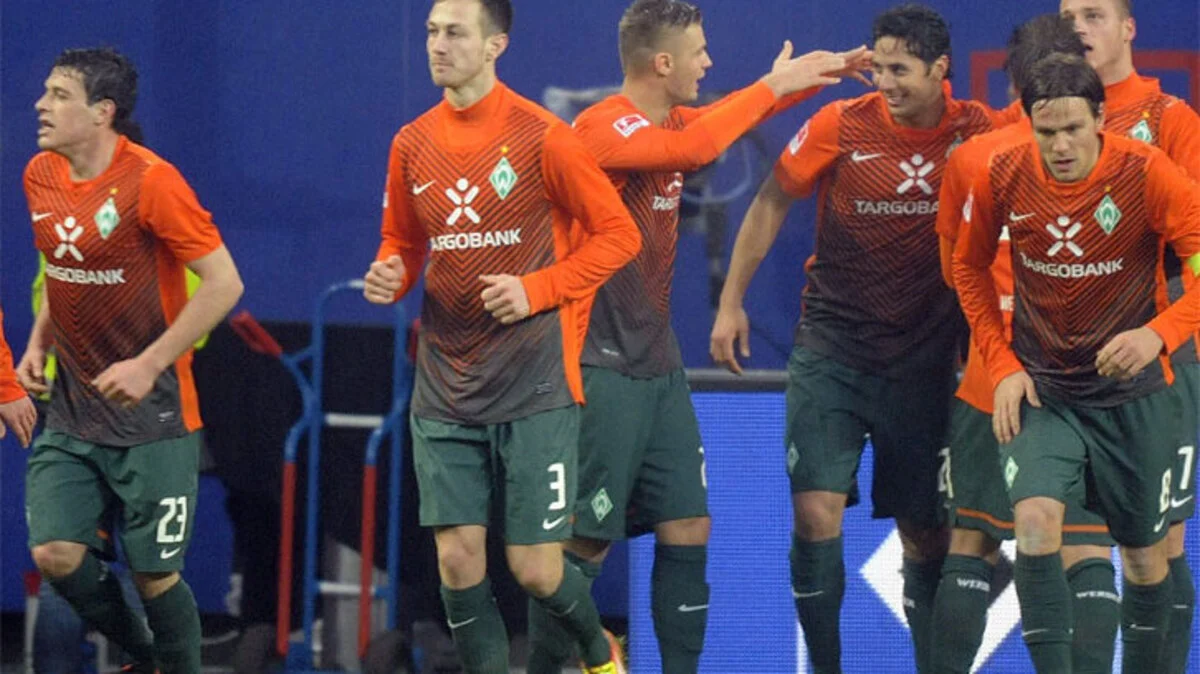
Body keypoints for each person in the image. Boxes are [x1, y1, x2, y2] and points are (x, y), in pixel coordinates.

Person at [521, 1, 871, 672]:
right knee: (586, 542)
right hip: (599, 365)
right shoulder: (600, 129)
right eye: (699, 52)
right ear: (662, 63)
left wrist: (787, 86)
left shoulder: (670, 122)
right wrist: (774, 86)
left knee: (688, 524)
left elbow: (711, 124)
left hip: (658, 365)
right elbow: (695, 147)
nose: (708, 63)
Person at [709, 4, 995, 671]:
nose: (886, 83)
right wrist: (729, 302)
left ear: (941, 69)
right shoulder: (839, 123)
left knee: (926, 535)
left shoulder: (980, 130)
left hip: (925, 361)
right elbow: (771, 200)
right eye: (879, 67)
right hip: (832, 348)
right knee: (815, 515)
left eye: (901, 70)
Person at [360, 1, 642, 672]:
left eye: (454, 32)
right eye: (431, 31)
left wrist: (537, 289)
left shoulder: (543, 136)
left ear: (496, 45)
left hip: (533, 383)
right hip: (446, 385)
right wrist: (391, 274)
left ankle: (599, 648)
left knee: (535, 569)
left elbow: (619, 235)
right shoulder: (411, 143)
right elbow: (403, 242)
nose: (437, 44)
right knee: (458, 560)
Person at [952, 52, 1200, 673]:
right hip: (1047, 392)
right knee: (1035, 523)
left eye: (1072, 129)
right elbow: (968, 267)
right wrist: (1003, 365)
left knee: (1144, 560)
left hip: (1133, 396)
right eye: (1046, 131)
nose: (1059, 145)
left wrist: (1159, 334)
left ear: (1100, 119)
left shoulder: (1148, 173)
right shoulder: (1003, 173)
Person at [17, 47, 244, 674]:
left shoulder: (153, 182)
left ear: (103, 112)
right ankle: (153, 658)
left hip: (154, 417)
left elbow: (225, 284)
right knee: (55, 554)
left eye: (60, 95)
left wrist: (148, 363)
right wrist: (38, 343)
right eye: (45, 91)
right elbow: (61, 267)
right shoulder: (40, 174)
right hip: (74, 411)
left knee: (154, 576)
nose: (41, 105)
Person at [930, 14, 1124, 674]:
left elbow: (953, 270)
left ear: (1012, 83)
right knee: (1087, 546)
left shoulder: (970, 159)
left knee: (972, 541)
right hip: (1088, 384)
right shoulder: (1114, 158)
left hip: (993, 377)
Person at [1060, 2, 1200, 670]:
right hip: (1067, 361)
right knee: (1076, 535)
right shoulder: (1044, 119)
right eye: (1067, 15)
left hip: (1159, 353)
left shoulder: (1170, 120)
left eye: (1094, 14)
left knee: (1160, 541)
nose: (1078, 28)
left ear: (1128, 28)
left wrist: (1166, 332)